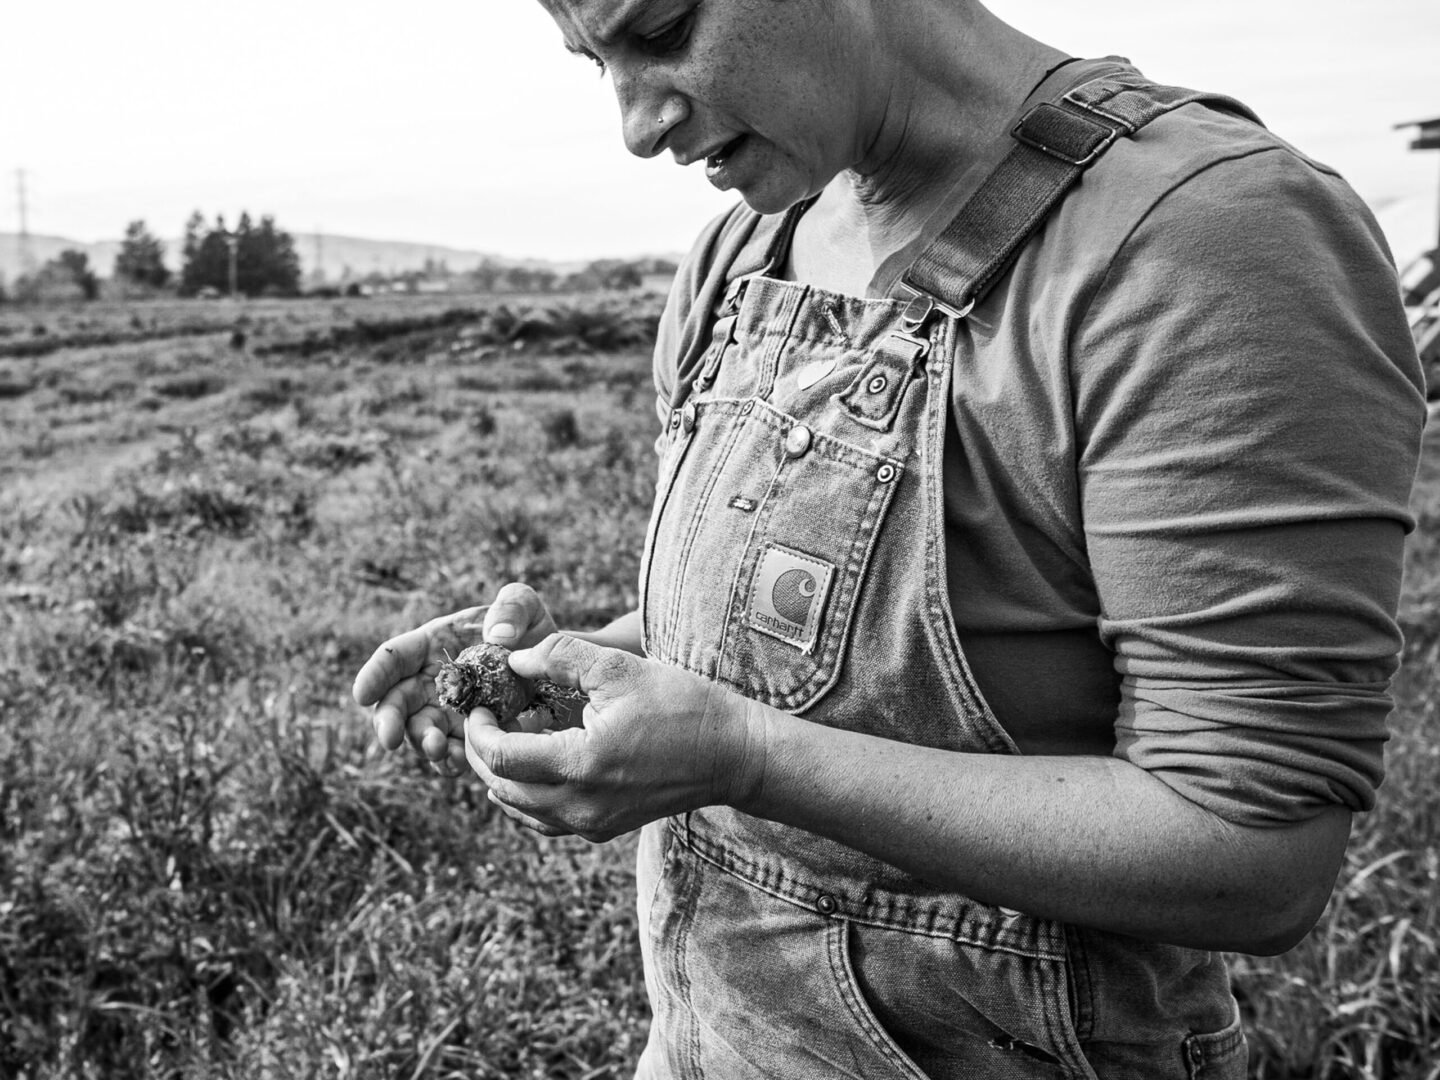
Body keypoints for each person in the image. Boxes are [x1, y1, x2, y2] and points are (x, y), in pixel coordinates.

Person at [352, 1, 1428, 1076]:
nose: (637, 125)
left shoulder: (1209, 243)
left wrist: (742, 755)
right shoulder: (742, 255)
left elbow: (1254, 855)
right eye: (598, 64)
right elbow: (830, 636)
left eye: (666, 27)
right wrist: (591, 658)